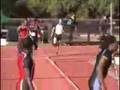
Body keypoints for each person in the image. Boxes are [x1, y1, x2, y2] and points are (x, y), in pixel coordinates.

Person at [17, 21, 37, 90]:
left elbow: (19, 51)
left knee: (27, 79)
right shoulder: (30, 39)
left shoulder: (21, 41)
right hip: (31, 60)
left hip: (26, 60)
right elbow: (35, 46)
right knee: (30, 79)